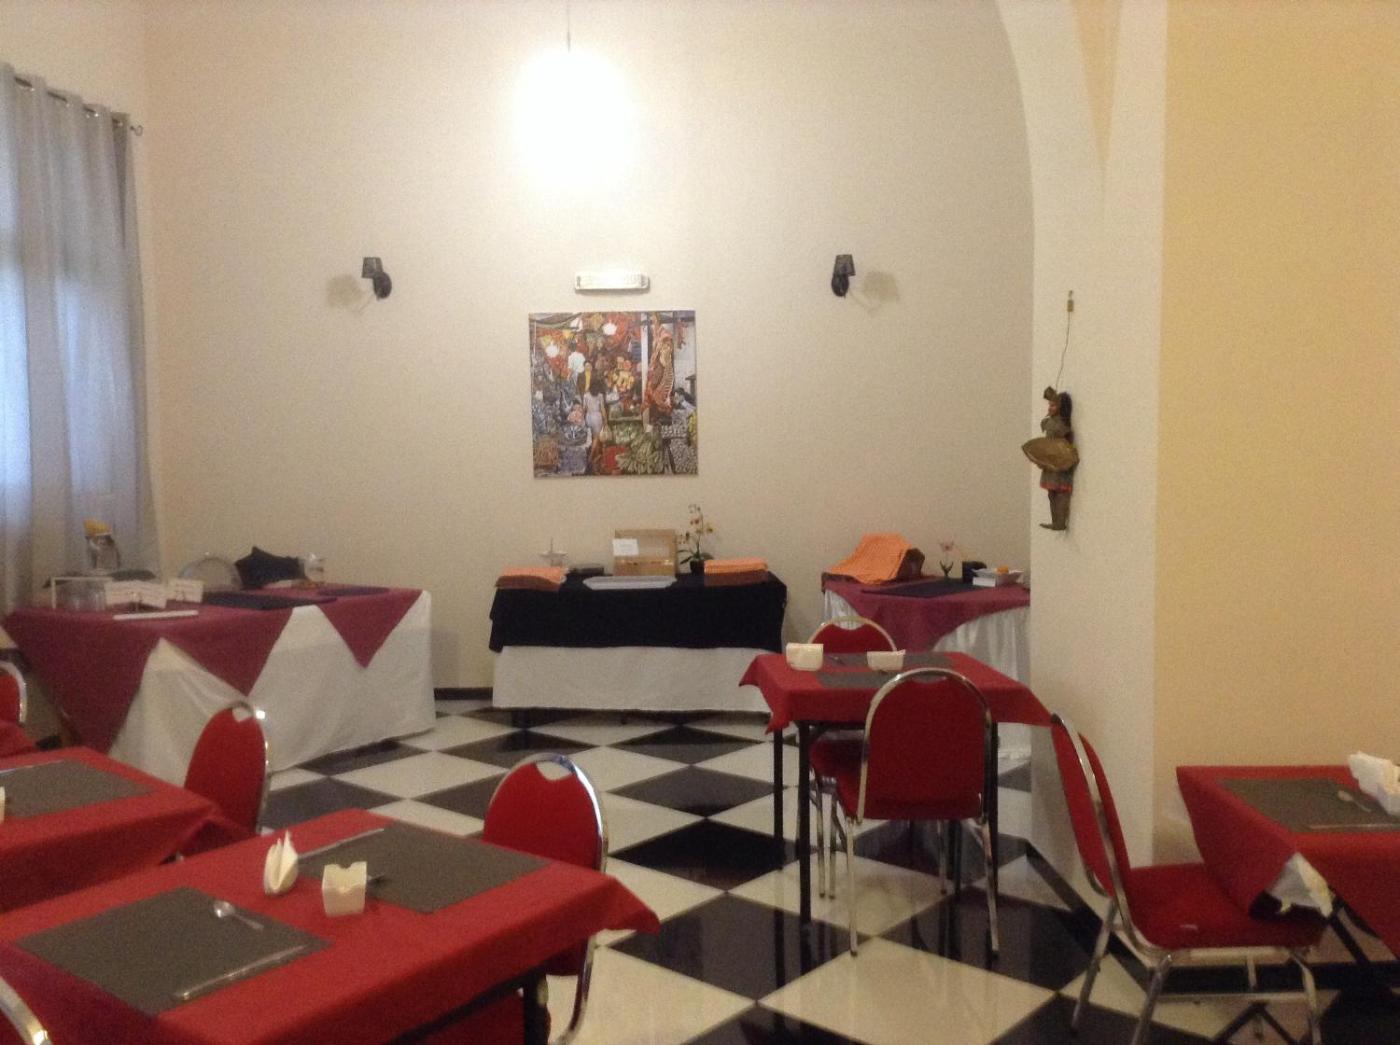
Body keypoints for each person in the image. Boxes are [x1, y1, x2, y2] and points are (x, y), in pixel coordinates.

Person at [1034, 386, 1075, 530]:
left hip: (1059, 463)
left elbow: (1064, 444)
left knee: (1061, 493)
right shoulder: (1049, 422)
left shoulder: (1062, 425)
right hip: (1050, 462)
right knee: (1051, 494)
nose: (1050, 408)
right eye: (1049, 405)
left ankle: (1060, 522)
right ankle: (1055, 521)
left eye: (1053, 405)